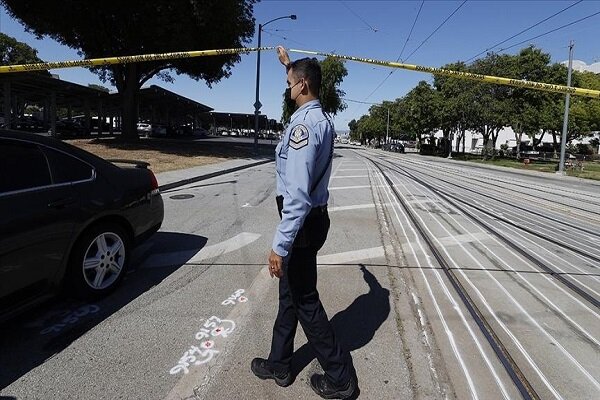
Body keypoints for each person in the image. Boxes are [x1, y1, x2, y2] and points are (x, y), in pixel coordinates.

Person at [251, 46, 357, 399]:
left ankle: (340, 376)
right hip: (313, 220)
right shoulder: (321, 117)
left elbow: (296, 196)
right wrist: (289, 64)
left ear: (303, 86)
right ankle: (279, 363)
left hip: (301, 223)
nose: (287, 88)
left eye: (289, 83)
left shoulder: (303, 127)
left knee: (305, 300)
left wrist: (279, 246)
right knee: (290, 296)